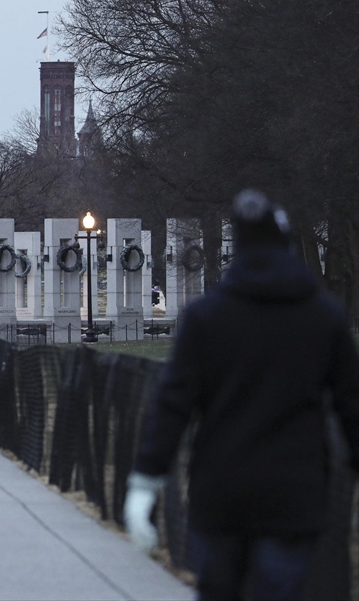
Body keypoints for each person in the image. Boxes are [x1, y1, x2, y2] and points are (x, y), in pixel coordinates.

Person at [125, 190, 359, 601]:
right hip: (295, 492)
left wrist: (146, 480)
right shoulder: (322, 317)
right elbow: (352, 405)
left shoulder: (204, 319)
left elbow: (173, 406)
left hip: (220, 491)